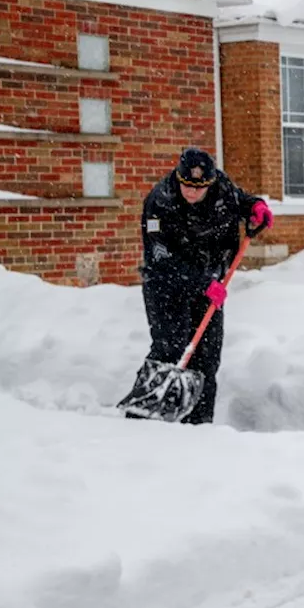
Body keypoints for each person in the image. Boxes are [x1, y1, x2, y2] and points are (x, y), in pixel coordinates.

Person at [128, 147, 272, 424]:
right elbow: (160, 259)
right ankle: (142, 417)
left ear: (210, 182)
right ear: (179, 177)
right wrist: (202, 282)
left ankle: (198, 423)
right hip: (166, 286)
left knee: (206, 357)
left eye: (199, 187)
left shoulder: (222, 188)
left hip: (209, 286)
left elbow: (240, 201)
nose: (191, 193)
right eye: (186, 185)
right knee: (170, 347)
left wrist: (256, 206)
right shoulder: (160, 202)